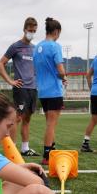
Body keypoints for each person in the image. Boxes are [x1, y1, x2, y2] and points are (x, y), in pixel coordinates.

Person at [0, 17, 39, 156]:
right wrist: (10, 81)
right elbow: (0, 64)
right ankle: (12, 149)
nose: (31, 33)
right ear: (24, 29)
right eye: (30, 30)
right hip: (20, 88)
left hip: (33, 88)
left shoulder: (35, 48)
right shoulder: (15, 46)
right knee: (17, 118)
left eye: (34, 31)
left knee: (27, 118)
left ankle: (25, 148)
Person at [32, 17, 67, 166]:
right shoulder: (55, 46)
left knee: (49, 123)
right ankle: (47, 155)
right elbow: (60, 69)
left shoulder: (37, 47)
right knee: (51, 124)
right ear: (56, 31)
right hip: (54, 91)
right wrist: (64, 77)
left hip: (43, 91)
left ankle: (52, 149)